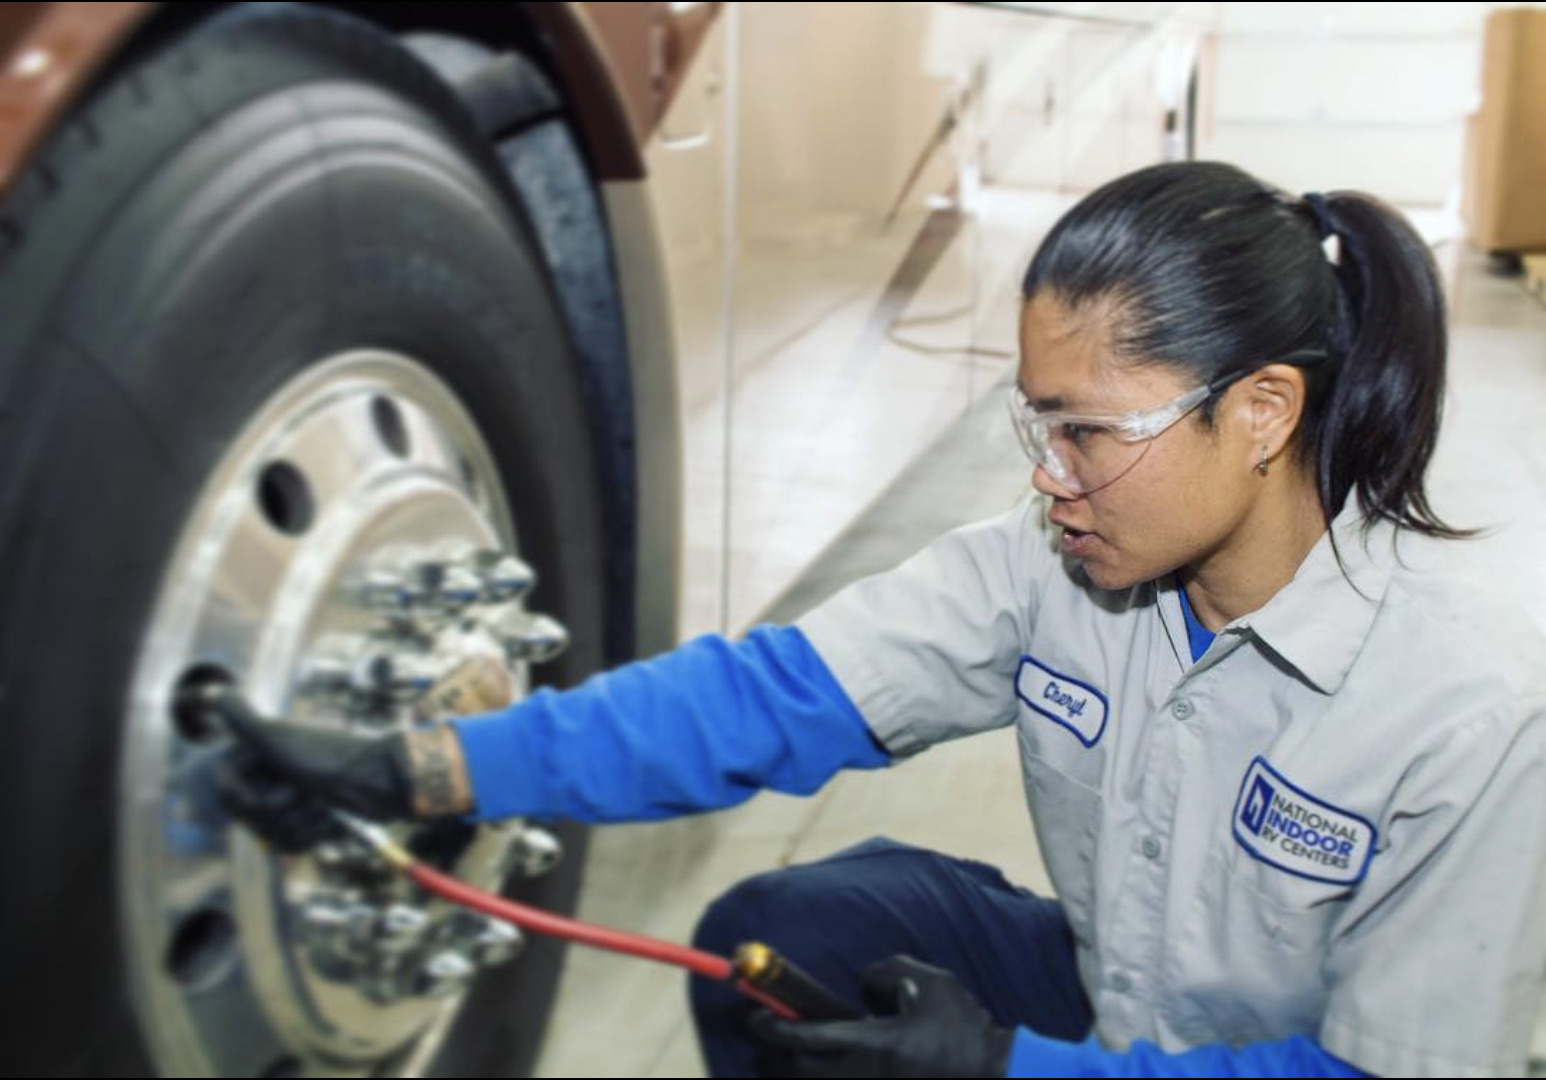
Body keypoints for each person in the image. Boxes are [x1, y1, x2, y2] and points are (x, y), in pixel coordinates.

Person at [208, 160, 1546, 1079]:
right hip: (1116, 992)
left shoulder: (1468, 710)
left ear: (1260, 412)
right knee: (791, 941)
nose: (1046, 475)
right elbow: (764, 699)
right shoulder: (1056, 564)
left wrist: (1006, 1069)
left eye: (1086, 432)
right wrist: (430, 768)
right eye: (1037, 424)